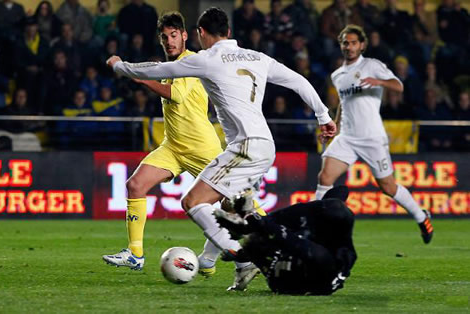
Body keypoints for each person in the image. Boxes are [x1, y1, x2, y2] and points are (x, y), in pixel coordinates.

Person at [107, 7, 336, 291]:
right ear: (228, 31)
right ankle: (244, 262)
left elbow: (156, 69)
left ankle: (243, 257)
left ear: (200, 33)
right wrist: (324, 116)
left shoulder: (206, 60)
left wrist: (120, 66)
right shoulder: (257, 57)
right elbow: (298, 81)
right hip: (265, 146)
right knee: (236, 208)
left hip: (244, 147)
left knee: (193, 203)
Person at [102, 12, 225, 277]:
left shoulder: (191, 61)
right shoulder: (169, 66)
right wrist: (132, 69)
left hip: (201, 147)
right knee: (135, 184)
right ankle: (135, 254)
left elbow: (177, 96)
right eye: (164, 37)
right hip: (173, 147)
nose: (169, 41)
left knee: (236, 202)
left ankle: (254, 249)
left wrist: (141, 79)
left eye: (174, 35)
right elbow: (154, 73)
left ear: (184, 35)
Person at [315, 25, 433, 244]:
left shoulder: (372, 65)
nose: (349, 46)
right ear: (341, 45)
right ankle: (314, 225)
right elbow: (343, 102)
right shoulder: (338, 75)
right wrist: (335, 125)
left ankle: (420, 216)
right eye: (345, 42)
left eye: (353, 42)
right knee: (325, 177)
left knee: (387, 186)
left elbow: (398, 86)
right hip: (348, 138)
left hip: (371, 138)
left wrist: (379, 82)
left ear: (362, 45)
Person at [214, 186, 356, 295]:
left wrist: (251, 221)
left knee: (272, 237)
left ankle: (251, 221)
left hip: (291, 280)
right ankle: (252, 223)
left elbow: (288, 239)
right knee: (291, 227)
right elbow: (341, 190)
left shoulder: (327, 251)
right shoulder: (327, 229)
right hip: (296, 273)